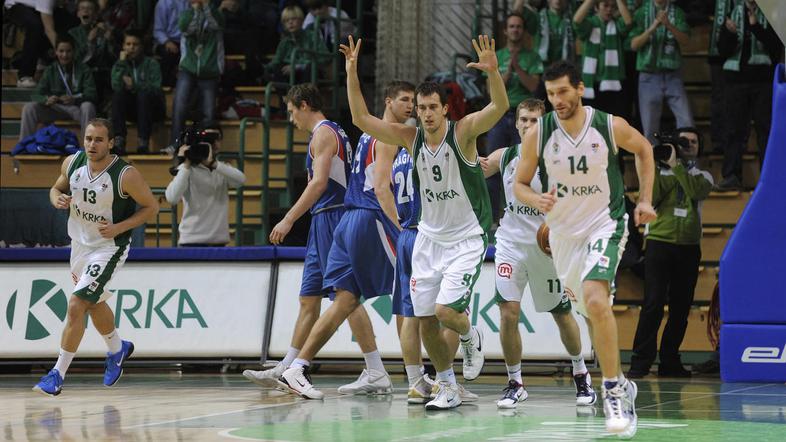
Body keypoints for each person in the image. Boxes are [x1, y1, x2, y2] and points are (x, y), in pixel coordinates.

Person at [339, 35, 507, 410]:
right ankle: (445, 384)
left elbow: (500, 106)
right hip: (429, 238)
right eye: (422, 108)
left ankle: (470, 335)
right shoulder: (410, 138)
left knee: (448, 313)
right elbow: (359, 119)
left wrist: (493, 73)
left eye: (433, 107)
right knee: (426, 319)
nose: (427, 113)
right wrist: (352, 72)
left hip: (466, 237)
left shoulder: (462, 134)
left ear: (445, 110)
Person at [513, 61, 656, 436]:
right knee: (588, 313)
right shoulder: (539, 134)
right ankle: (623, 382)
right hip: (562, 235)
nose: (557, 100)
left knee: (596, 300)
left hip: (604, 224)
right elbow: (520, 184)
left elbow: (644, 150)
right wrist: (535, 198)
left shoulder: (608, 125)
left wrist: (644, 200)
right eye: (551, 94)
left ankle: (611, 391)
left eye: (563, 91)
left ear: (580, 89)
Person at [278, 81, 429, 398]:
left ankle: (300, 366)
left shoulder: (366, 135)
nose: (410, 107)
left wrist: (350, 70)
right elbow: (381, 188)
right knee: (406, 295)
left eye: (412, 102)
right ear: (389, 101)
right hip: (369, 219)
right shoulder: (389, 134)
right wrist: (400, 229)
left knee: (343, 300)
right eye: (405, 100)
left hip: (347, 218)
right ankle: (419, 378)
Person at [241, 84, 377, 399]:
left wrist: (288, 218)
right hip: (321, 220)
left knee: (345, 296)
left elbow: (318, 184)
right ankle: (286, 367)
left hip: (334, 216)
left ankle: (372, 368)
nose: (291, 119)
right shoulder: (326, 134)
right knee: (309, 298)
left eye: (291, 111)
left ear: (304, 105)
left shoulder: (324, 133)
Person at [480, 98, 595, 409]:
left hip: (547, 249)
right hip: (509, 244)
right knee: (508, 313)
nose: (528, 125)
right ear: (516, 124)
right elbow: (476, 168)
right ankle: (515, 382)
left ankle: (580, 372)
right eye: (524, 120)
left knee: (561, 314)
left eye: (534, 120)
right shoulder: (505, 157)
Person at [32, 118, 159, 396]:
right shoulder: (72, 163)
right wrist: (56, 198)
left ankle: (57, 375)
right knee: (93, 301)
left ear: (111, 143)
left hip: (109, 246)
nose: (92, 144)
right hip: (79, 244)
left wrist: (119, 227)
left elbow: (152, 207)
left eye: (99, 139)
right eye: (88, 138)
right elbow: (56, 188)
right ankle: (117, 348)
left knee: (78, 304)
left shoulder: (125, 174)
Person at [390, 123, 480, 406]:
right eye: (412, 103)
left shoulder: (396, 148)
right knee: (435, 312)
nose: (414, 109)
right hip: (428, 232)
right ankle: (445, 381)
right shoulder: (418, 144)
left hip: (408, 232)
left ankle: (417, 381)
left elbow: (383, 187)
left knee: (415, 313)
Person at [629, 128, 713, 378]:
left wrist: (676, 164)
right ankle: (640, 362)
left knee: (680, 307)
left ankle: (669, 360)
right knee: (653, 303)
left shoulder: (703, 175)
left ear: (700, 147)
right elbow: (651, 197)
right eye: (683, 141)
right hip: (658, 243)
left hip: (688, 247)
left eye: (693, 141)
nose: (688, 144)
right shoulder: (656, 173)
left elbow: (697, 192)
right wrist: (662, 163)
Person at [714, 0, 781, 191]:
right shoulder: (733, 12)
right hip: (735, 82)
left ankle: (769, 179)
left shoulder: (771, 15)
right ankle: (732, 176)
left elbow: (776, 49)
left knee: (765, 132)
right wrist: (730, 33)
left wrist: (755, 25)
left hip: (763, 82)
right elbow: (723, 51)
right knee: (734, 131)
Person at [485, 13, 543, 223]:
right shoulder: (497, 56)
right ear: (505, 31)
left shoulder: (533, 57)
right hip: (501, 116)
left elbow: (534, 86)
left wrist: (518, 66)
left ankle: (529, 218)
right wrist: (506, 70)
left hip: (527, 113)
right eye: (511, 26)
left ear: (523, 30)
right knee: (494, 167)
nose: (515, 30)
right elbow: (491, 91)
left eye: (519, 26)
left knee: (525, 166)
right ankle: (493, 219)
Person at [164, 125, 245, 246]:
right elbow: (172, 197)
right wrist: (186, 164)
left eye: (215, 140)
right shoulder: (186, 170)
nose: (211, 145)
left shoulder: (221, 169)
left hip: (219, 240)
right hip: (191, 240)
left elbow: (240, 180)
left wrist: (213, 164)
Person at [627, 0, 693, 143]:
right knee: (650, 129)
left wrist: (669, 25)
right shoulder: (640, 13)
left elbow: (686, 40)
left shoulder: (678, 12)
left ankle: (691, 164)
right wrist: (653, 27)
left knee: (687, 123)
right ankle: (653, 165)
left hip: (672, 75)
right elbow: (633, 45)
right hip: (649, 75)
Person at [19, 35, 97, 142]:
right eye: (61, 51)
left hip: (77, 109)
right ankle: (24, 147)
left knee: (88, 106)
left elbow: (91, 93)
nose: (64, 55)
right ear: (56, 52)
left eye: (68, 51)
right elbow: (36, 94)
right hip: (56, 109)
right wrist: (46, 99)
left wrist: (74, 99)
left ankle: (89, 151)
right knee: (29, 108)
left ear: (74, 51)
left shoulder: (83, 69)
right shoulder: (50, 70)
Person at [170, 0, 224, 145]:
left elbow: (217, 24)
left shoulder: (216, 14)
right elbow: (186, 28)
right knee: (179, 107)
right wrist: (195, 11)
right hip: (188, 69)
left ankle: (205, 148)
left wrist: (206, 7)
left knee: (208, 113)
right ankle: (176, 145)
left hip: (210, 70)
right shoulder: (186, 14)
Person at [573, 0, 633, 118]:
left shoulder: (617, 24)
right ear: (596, 7)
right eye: (605, 5)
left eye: (612, 7)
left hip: (615, 82)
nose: (609, 9)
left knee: (615, 125)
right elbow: (576, 21)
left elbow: (628, 22)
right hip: (592, 83)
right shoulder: (590, 24)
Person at [110, 29, 164, 155]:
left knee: (143, 96)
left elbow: (156, 89)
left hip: (152, 109)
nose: (131, 48)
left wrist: (135, 85)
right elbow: (116, 86)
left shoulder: (152, 64)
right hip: (132, 110)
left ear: (141, 47)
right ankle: (119, 140)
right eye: (128, 44)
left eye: (135, 44)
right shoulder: (120, 65)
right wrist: (122, 63)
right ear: (123, 47)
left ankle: (143, 142)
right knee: (118, 96)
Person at [68, 0, 116, 107]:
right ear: (78, 13)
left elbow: (112, 59)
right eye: (82, 8)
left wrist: (110, 41)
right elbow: (75, 60)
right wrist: (89, 42)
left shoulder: (103, 31)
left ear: (96, 14)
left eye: (89, 8)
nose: (85, 10)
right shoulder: (72, 34)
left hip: (103, 75)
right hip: (81, 75)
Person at [265, 5, 329, 84]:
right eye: (286, 20)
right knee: (278, 69)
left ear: (301, 21)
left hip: (310, 73)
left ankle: (305, 95)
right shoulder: (284, 42)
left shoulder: (312, 36)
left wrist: (298, 67)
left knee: (310, 68)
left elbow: (325, 57)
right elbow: (276, 61)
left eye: (293, 19)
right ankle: (284, 96)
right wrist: (265, 68)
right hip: (293, 75)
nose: (290, 22)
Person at [4, 0, 58, 88]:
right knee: (35, 25)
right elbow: (49, 30)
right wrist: (60, 50)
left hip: (36, 7)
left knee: (63, 17)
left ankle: (44, 57)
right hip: (15, 5)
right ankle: (25, 75)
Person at [153, 0, 189, 87]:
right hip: (168, 40)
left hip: (188, 40)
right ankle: (165, 85)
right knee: (169, 54)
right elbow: (158, 30)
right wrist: (167, 42)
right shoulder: (163, 3)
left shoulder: (191, 2)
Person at [536, 0, 577, 67]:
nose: (558, 0)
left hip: (563, 66)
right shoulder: (538, 17)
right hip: (542, 65)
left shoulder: (570, 20)